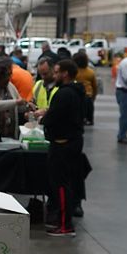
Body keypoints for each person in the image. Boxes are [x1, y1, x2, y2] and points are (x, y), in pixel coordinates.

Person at [42, 60, 89, 237]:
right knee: (65, 183)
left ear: (65, 74)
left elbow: (54, 118)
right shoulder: (77, 92)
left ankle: (64, 225)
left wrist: (43, 118)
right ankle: (63, 221)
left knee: (61, 185)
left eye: (56, 72)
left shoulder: (64, 94)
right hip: (73, 141)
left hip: (63, 144)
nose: (54, 75)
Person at [74, 51, 98, 125]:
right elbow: (94, 86)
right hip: (88, 94)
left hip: (77, 95)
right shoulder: (90, 72)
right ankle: (89, 119)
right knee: (89, 109)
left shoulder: (74, 71)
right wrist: (94, 96)